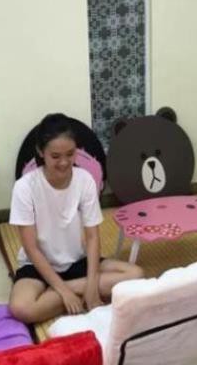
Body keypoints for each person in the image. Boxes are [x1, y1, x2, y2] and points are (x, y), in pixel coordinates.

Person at [9, 114, 143, 324]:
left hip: (76, 261)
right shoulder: (24, 187)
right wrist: (63, 290)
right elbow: (31, 248)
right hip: (38, 265)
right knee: (21, 308)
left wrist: (91, 285)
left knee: (136, 275)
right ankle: (67, 291)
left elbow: (92, 237)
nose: (64, 162)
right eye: (55, 156)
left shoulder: (85, 180)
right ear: (40, 152)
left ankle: (68, 291)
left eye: (70, 154)